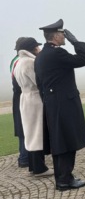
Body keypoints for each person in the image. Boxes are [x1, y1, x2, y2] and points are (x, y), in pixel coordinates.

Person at [34, 19, 85, 191]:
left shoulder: (41, 56)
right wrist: (76, 42)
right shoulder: (57, 53)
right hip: (64, 103)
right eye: (63, 34)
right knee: (67, 142)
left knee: (60, 142)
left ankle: (63, 178)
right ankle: (65, 180)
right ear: (56, 36)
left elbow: (39, 83)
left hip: (53, 103)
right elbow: (83, 60)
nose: (64, 36)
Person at [14, 37, 54, 177]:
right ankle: (39, 167)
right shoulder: (30, 62)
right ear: (32, 48)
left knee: (30, 132)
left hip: (25, 98)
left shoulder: (19, 62)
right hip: (35, 98)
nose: (39, 49)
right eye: (37, 47)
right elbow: (38, 81)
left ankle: (33, 165)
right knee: (37, 132)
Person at [10, 37, 29, 168]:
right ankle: (24, 157)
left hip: (18, 96)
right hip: (22, 95)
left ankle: (24, 156)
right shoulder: (20, 62)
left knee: (23, 126)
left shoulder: (14, 60)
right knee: (24, 127)